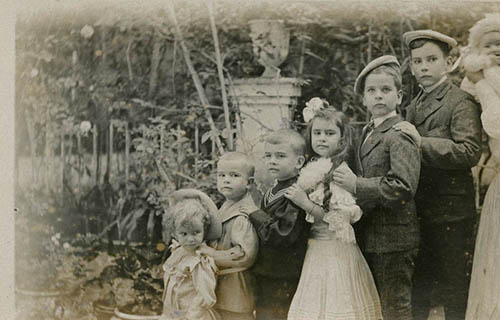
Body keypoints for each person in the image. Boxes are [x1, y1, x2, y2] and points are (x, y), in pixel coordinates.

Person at [399, 30, 482, 319]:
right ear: (410, 67)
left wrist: (421, 143)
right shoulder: (412, 106)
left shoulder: (459, 101)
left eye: (432, 59)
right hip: (419, 208)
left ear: (448, 63)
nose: (424, 67)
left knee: (452, 284)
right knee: (420, 281)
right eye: (417, 61)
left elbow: (469, 151)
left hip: (450, 209)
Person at [333, 55, 421, 320]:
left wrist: (355, 185)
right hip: (372, 234)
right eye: (371, 91)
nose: (378, 96)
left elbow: (403, 187)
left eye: (386, 90)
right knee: (373, 306)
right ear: (363, 99)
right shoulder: (367, 131)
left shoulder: (400, 134)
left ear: (400, 96)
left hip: (394, 238)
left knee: (394, 306)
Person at [286, 98, 382, 320]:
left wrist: (305, 203)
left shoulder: (338, 172)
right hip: (315, 247)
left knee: (337, 304)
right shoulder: (312, 166)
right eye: (317, 133)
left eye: (329, 133)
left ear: (341, 141)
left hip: (334, 249)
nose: (321, 138)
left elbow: (338, 218)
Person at [459, 14, 500, 320]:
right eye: (490, 44)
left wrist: (482, 84)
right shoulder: (473, 83)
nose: (497, 49)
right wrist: (478, 81)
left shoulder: (482, 83)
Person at [249, 129, 310, 320]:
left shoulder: (294, 193)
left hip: (283, 272)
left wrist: (254, 213)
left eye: (280, 156)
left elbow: (282, 234)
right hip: (268, 269)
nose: (272, 161)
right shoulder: (274, 189)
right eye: (268, 156)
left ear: (299, 162)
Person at [198, 152, 260, 320]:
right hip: (221, 285)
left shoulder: (243, 215)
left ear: (249, 183)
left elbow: (244, 256)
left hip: (235, 287)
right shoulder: (225, 206)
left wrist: (211, 254)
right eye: (222, 175)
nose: (226, 180)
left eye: (234, 175)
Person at [160, 189, 223, 320]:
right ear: (174, 233)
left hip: (192, 315)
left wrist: (191, 316)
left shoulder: (199, 260)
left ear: (204, 230)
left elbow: (205, 294)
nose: (190, 239)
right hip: (174, 313)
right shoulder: (177, 252)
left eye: (196, 232)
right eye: (184, 234)